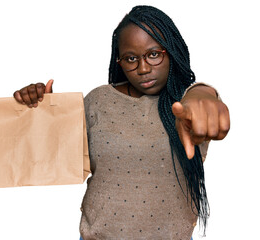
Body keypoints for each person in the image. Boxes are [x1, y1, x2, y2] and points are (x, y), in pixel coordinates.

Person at [13, 5, 230, 240]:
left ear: (173, 50)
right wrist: (44, 111)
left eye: (154, 54)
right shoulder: (98, 100)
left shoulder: (185, 106)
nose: (143, 68)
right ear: (120, 61)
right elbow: (59, 161)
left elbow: (201, 97)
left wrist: (206, 93)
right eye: (131, 58)